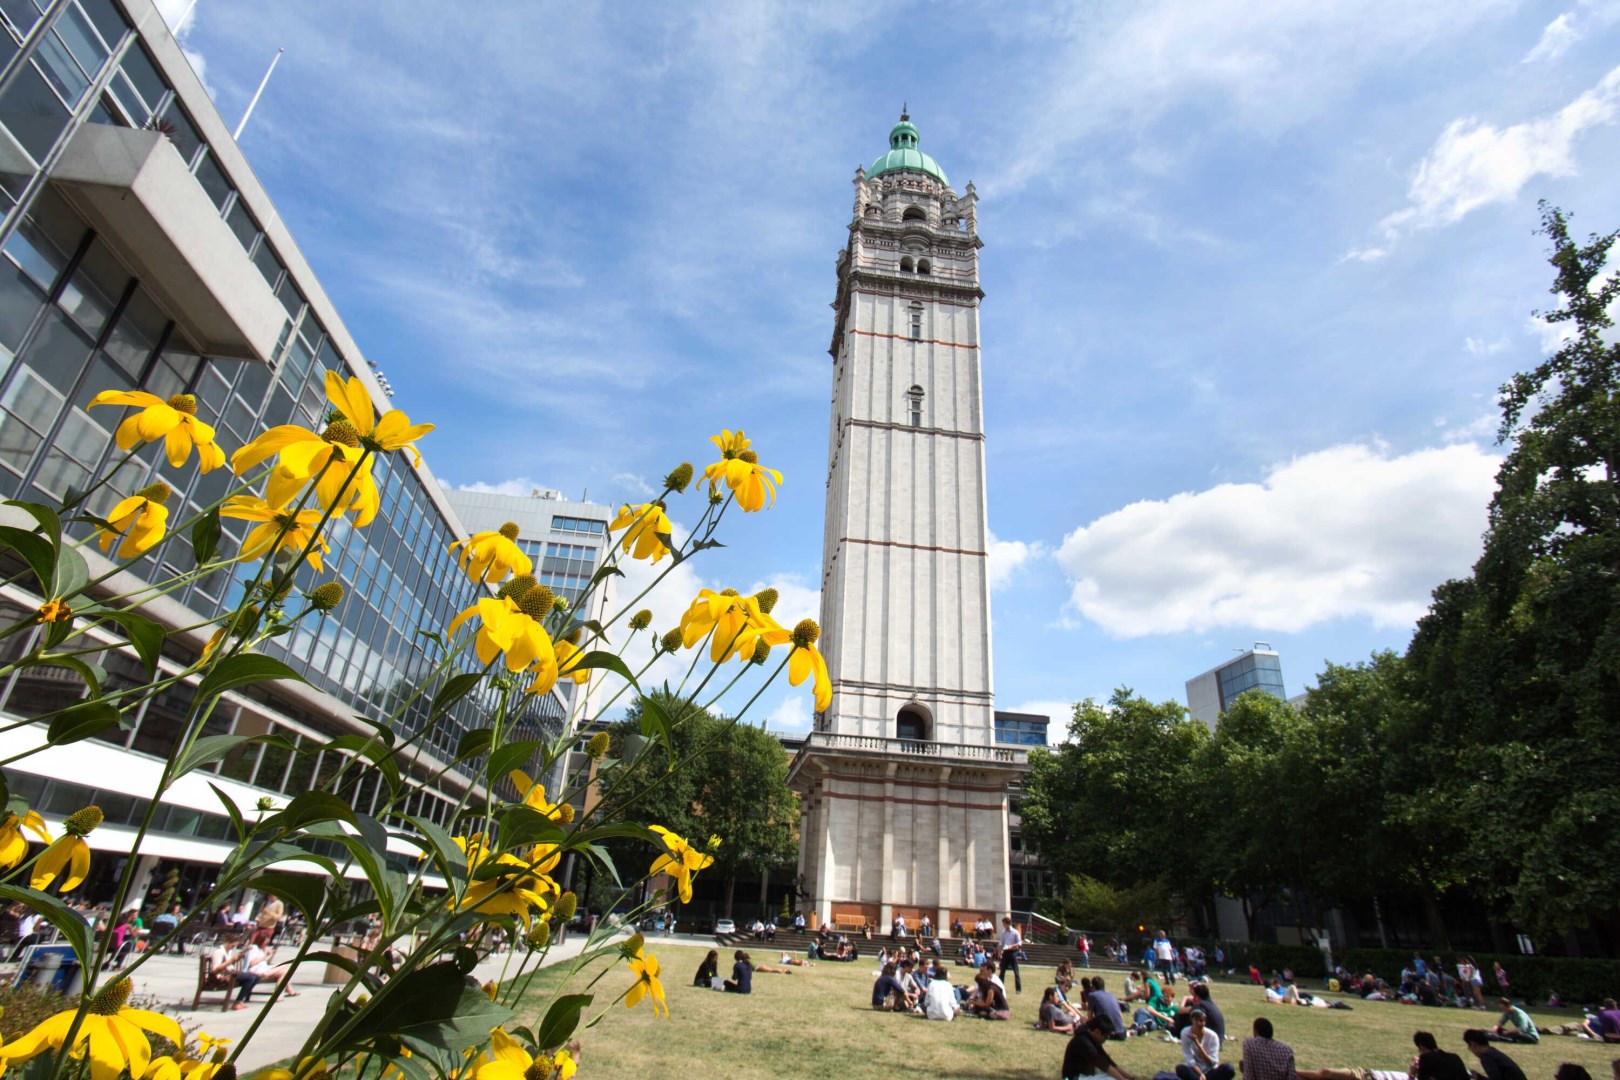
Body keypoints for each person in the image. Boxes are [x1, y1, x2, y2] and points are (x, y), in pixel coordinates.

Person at [1063, 1014, 1137, 1080]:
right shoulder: (1084, 1043)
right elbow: (1104, 1065)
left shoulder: (1092, 1037)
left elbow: (1109, 1062)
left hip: (1083, 1076)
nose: (1106, 1039)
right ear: (1097, 1032)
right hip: (1074, 1077)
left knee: (1113, 1076)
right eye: (1105, 1036)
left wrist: (1131, 1078)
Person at [1179, 1008, 1234, 1080]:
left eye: (1201, 1021)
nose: (1198, 1023)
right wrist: (1200, 1073)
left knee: (1228, 1068)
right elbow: (1189, 1058)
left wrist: (1198, 1045)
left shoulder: (1212, 1036)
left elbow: (1211, 1063)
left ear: (1205, 1022)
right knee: (1180, 1069)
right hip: (1195, 1070)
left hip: (1210, 1070)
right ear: (1192, 1020)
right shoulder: (1185, 1033)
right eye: (1196, 1020)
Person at [1462, 1029, 1526, 1080]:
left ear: (1474, 1044)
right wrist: (1478, 1077)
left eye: (1469, 1047)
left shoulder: (1487, 1057)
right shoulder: (1492, 1052)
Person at [998, 916, 1023, 994]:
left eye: (1004, 924)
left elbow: (1019, 943)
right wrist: (999, 952)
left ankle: (1018, 989)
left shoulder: (1015, 932)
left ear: (1007, 923)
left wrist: (1012, 946)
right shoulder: (1003, 932)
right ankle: (999, 987)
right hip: (1005, 952)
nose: (1003, 925)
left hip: (1013, 952)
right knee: (1002, 971)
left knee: (1016, 971)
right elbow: (1001, 943)